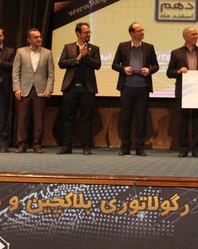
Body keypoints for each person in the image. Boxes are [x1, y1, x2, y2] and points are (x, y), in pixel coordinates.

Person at [111, 22, 159, 156]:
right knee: (126, 118)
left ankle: (140, 147)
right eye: (139, 30)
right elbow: (114, 64)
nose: (142, 32)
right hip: (127, 87)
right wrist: (123, 69)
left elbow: (156, 66)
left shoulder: (149, 47)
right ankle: (125, 147)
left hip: (143, 87)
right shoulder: (122, 46)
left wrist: (149, 70)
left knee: (141, 118)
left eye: (142, 30)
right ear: (132, 33)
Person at [167, 27, 198, 157]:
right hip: (183, 92)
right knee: (183, 122)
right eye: (193, 34)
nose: (196, 36)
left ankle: (197, 150)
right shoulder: (176, 53)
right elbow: (169, 73)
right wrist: (179, 71)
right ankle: (183, 149)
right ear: (185, 37)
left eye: (196, 34)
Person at [57, 22, 101, 155]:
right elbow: (61, 63)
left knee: (86, 119)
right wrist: (77, 59)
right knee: (68, 118)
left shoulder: (94, 49)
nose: (88, 34)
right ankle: (67, 146)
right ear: (78, 33)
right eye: (86, 32)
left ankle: (86, 146)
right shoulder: (68, 47)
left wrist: (86, 56)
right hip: (70, 88)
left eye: (89, 32)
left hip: (87, 89)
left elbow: (97, 65)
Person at [12, 28, 54, 154]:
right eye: (36, 37)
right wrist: (17, 88)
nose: (39, 39)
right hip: (24, 89)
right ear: (29, 40)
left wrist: (49, 89)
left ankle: (37, 144)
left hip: (41, 90)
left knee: (39, 119)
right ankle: (22, 144)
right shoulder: (21, 52)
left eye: (40, 36)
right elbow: (16, 72)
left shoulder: (47, 53)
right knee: (22, 119)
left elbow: (51, 74)